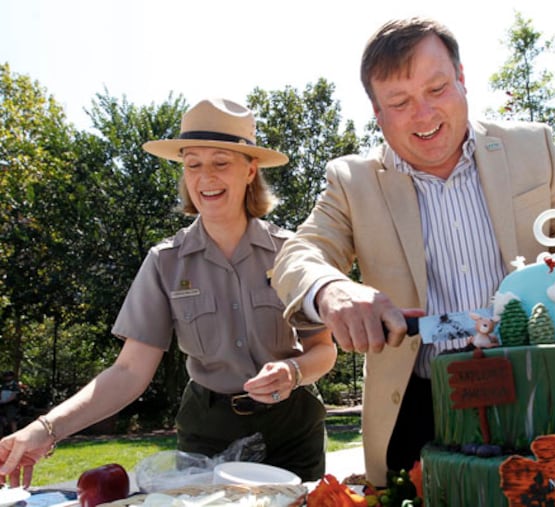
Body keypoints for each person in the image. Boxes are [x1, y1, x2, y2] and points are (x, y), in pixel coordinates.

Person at [271, 17, 555, 486]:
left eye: (437, 89)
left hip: (543, 387)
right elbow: (298, 254)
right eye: (400, 102)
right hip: (419, 406)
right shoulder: (351, 181)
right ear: (376, 111)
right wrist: (331, 290)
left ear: (463, 79)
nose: (424, 115)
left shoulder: (534, 149)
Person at [0, 98, 337, 488]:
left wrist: (294, 371)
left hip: (291, 431)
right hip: (207, 437)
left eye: (220, 162)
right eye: (193, 163)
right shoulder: (165, 262)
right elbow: (128, 372)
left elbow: (324, 349)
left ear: (250, 170)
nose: (205, 177)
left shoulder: (290, 252)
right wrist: (45, 428)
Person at [0, 371, 20, 435]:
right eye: (6, 376)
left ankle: (14, 434)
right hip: (3, 405)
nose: (7, 378)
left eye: (8, 376)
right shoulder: (3, 385)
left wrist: (5, 401)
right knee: (2, 419)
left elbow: (13, 396)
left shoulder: (15, 385)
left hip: (12, 405)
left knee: (12, 420)